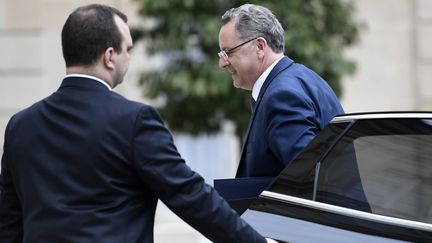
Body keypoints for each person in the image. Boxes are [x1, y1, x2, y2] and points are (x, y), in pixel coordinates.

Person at [0, 4, 276, 243]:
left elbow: (9, 223)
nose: (129, 58)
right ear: (109, 56)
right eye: (127, 50)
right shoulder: (134, 121)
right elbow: (191, 196)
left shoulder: (20, 126)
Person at [218, 4, 344, 179]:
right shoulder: (303, 78)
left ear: (260, 46)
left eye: (228, 52)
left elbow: (311, 179)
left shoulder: (281, 96)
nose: (222, 63)